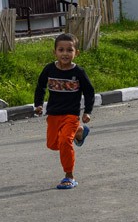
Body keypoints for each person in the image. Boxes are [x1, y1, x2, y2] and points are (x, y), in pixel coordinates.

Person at [34, 33, 95, 190]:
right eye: (61, 50)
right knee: (53, 144)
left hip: (71, 114)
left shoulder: (79, 72)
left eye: (69, 50)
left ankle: (69, 176)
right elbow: (40, 87)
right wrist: (38, 105)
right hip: (53, 114)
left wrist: (87, 111)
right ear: (55, 52)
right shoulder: (49, 69)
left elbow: (89, 91)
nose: (65, 54)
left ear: (76, 53)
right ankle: (80, 131)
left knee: (65, 141)